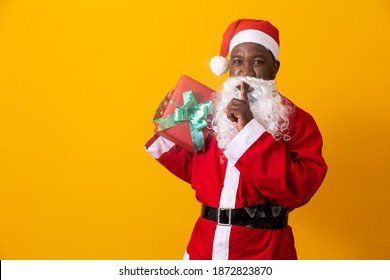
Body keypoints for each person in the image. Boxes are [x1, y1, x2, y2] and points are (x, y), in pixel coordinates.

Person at [145, 19, 327, 260]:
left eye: (258, 62)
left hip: (264, 251)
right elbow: (197, 172)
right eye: (238, 62)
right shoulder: (209, 111)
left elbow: (299, 189)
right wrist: (167, 126)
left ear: (275, 68)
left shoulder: (298, 122)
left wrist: (249, 130)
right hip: (206, 245)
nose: (246, 71)